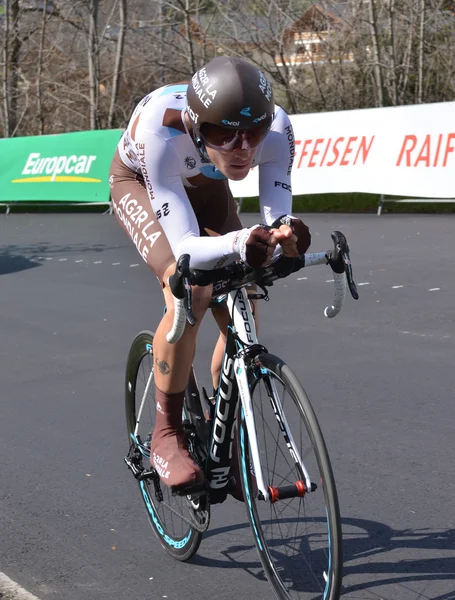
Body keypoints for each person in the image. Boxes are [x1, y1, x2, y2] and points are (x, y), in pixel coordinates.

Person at [109, 55, 311, 500]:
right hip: (142, 181)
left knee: (244, 295)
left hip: (203, 180)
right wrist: (240, 243)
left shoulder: (276, 128)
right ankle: (165, 433)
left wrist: (286, 234)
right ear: (198, 126)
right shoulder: (161, 132)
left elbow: (277, 215)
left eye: (252, 134)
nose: (242, 149)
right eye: (224, 134)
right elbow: (184, 246)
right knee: (190, 289)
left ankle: (226, 422)